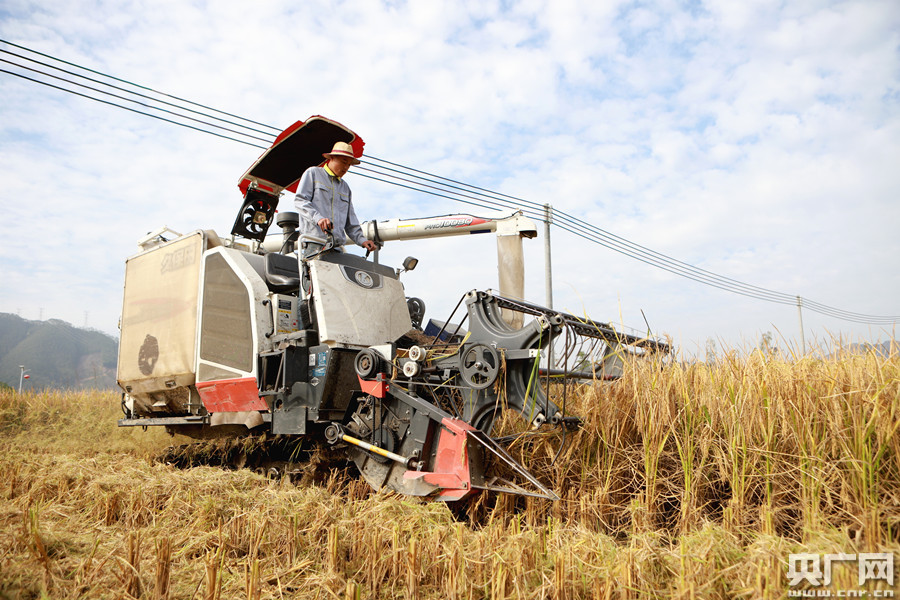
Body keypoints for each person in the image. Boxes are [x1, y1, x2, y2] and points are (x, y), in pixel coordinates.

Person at [294, 141, 377, 258]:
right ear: (332, 158)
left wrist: (362, 240)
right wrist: (319, 219)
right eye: (344, 162)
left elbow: (351, 222)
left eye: (349, 164)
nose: (346, 167)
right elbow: (300, 201)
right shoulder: (313, 173)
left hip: (337, 249)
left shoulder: (345, 188)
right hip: (314, 244)